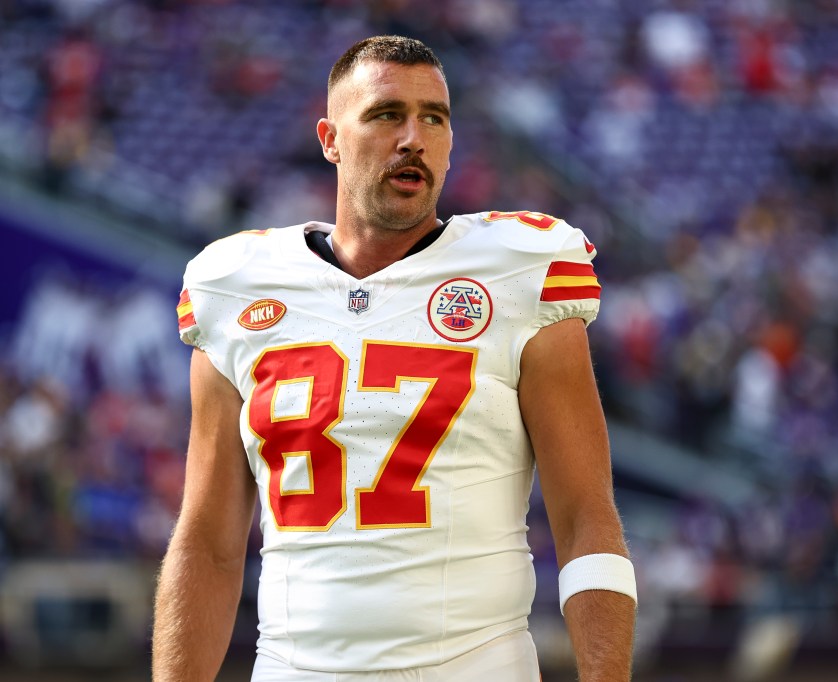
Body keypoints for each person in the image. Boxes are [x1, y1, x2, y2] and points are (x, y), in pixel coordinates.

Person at [152, 35, 636, 682]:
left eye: (433, 117)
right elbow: (209, 542)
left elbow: (585, 518)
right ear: (330, 138)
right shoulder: (235, 284)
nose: (414, 137)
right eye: (387, 115)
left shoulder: (519, 270)